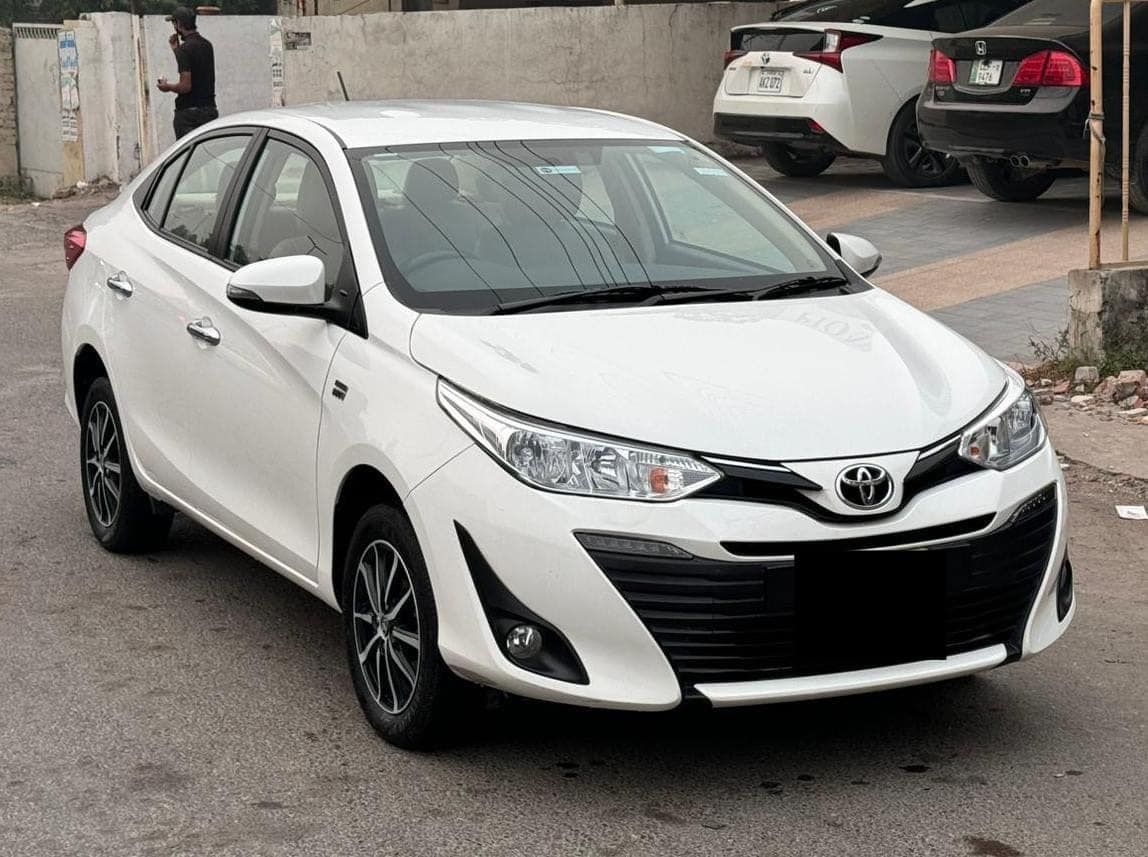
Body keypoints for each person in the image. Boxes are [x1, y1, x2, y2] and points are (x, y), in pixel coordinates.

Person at [156, 7, 217, 140]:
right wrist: (176, 50)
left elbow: (185, 86)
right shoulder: (207, 45)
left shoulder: (185, 49)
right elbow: (198, 68)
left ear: (178, 24)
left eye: (174, 23)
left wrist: (167, 87)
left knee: (189, 157)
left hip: (189, 116)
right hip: (209, 111)